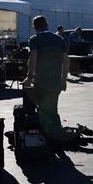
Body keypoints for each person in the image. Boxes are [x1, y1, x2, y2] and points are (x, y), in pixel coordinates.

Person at [26, 15, 75, 143]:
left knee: (44, 110)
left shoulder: (35, 39)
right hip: (56, 81)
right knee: (53, 108)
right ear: (47, 24)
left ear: (34, 27)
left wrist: (30, 77)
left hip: (41, 81)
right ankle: (57, 135)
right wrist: (64, 80)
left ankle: (49, 139)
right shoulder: (59, 39)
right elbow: (66, 61)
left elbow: (33, 58)